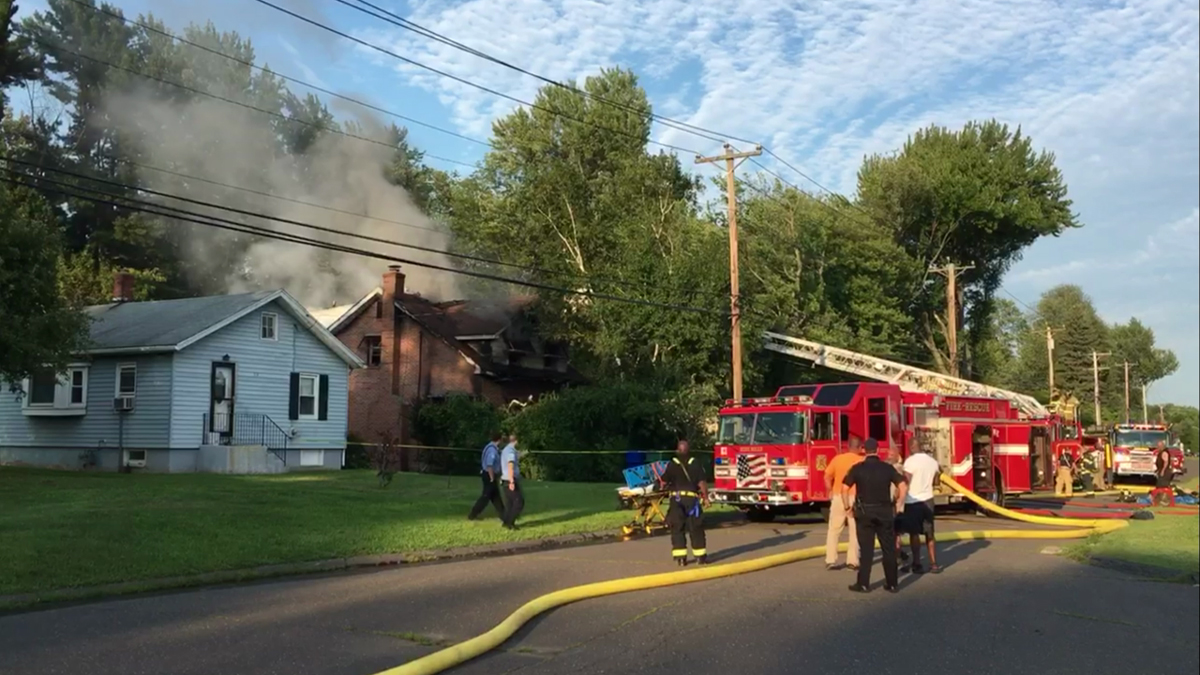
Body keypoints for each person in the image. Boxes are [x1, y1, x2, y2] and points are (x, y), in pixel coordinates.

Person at [842, 440, 908, 593]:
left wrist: (847, 507)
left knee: (866, 550)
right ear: (878, 450)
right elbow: (903, 486)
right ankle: (892, 583)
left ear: (864, 450)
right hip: (884, 512)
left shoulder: (857, 468)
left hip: (864, 512)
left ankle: (863, 584)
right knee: (888, 549)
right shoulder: (887, 468)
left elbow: (844, 488)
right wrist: (898, 504)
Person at [661, 439, 709, 566]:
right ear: (689, 451)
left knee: (677, 528)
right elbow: (702, 483)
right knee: (696, 528)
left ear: (678, 450)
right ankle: (700, 557)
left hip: (676, 500)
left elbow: (663, 482)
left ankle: (681, 558)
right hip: (692, 500)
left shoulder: (672, 464)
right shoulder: (696, 463)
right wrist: (706, 498)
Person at [824, 436, 865, 571]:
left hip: (838, 496)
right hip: (855, 498)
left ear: (848, 446)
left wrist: (830, 490)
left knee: (834, 530)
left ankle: (831, 560)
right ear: (860, 448)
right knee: (854, 531)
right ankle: (852, 561)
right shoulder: (861, 461)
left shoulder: (837, 459)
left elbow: (827, 476)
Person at [901, 445, 941, 574]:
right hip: (928, 500)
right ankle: (933, 563)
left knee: (914, 533)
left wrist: (899, 498)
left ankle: (917, 563)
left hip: (912, 501)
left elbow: (906, 481)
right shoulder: (932, 461)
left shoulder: (910, 462)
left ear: (911, 447)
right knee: (930, 533)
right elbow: (936, 481)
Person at [468, 432, 506, 521]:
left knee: (496, 497)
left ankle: (504, 515)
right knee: (486, 496)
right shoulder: (492, 450)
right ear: (499, 439)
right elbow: (490, 465)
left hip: (488, 474)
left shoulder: (490, 447)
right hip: (489, 475)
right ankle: (473, 514)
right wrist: (492, 477)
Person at [500, 433, 523, 530]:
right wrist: (512, 481)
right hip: (510, 479)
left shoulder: (506, 450)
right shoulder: (510, 451)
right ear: (516, 441)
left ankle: (506, 522)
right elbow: (510, 465)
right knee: (519, 502)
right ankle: (510, 523)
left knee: (510, 503)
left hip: (505, 479)